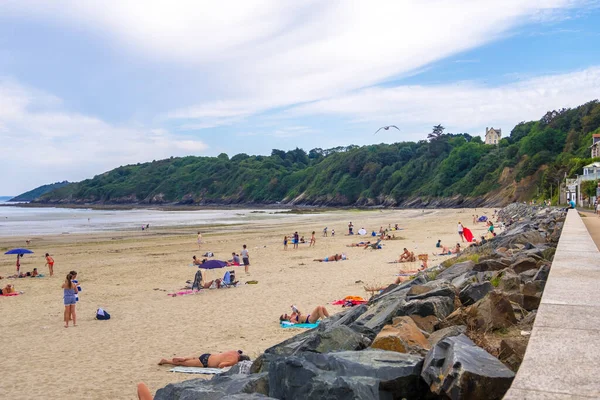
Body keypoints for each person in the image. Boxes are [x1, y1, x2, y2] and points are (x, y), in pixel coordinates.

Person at [158, 350, 250, 368]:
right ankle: (166, 361)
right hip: (205, 362)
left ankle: (185, 358)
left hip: (208, 355)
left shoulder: (235, 352)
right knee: (183, 364)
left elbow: (239, 351)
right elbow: (220, 365)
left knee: (193, 359)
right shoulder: (234, 361)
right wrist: (228, 366)